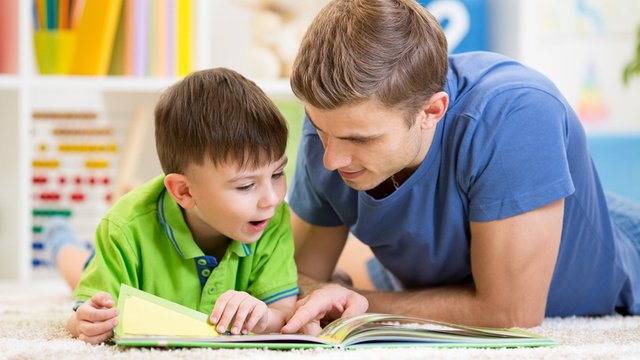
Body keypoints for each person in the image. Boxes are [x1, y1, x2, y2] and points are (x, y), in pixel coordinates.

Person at [280, 0, 640, 335]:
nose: (331, 160)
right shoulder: (335, 125)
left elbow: (511, 313)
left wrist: (354, 301)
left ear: (432, 111)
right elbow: (299, 279)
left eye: (360, 140)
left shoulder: (517, 114)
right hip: (420, 273)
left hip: (612, 270)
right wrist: (325, 291)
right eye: (321, 130)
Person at [48, 68, 301, 344]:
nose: (272, 199)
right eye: (246, 186)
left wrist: (264, 318)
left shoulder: (271, 219)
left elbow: (284, 312)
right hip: (121, 249)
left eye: (277, 174)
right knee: (77, 270)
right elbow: (83, 317)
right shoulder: (122, 229)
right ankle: (59, 238)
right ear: (184, 191)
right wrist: (84, 322)